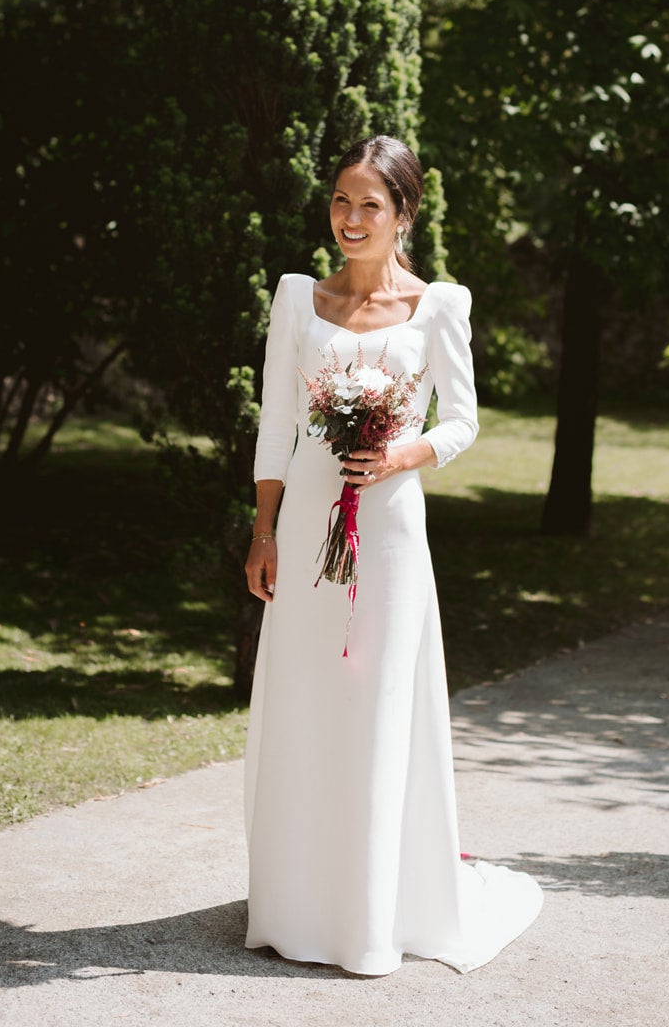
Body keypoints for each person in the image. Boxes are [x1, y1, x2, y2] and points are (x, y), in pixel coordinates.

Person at [241, 134, 543, 975]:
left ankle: (370, 917)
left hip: (393, 531)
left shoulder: (440, 304)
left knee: (375, 700)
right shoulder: (296, 298)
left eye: (368, 204)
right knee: (305, 696)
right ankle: (296, 904)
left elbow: (462, 420)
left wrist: (403, 452)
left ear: (403, 213)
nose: (349, 218)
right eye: (340, 201)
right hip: (304, 529)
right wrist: (263, 531)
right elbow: (275, 424)